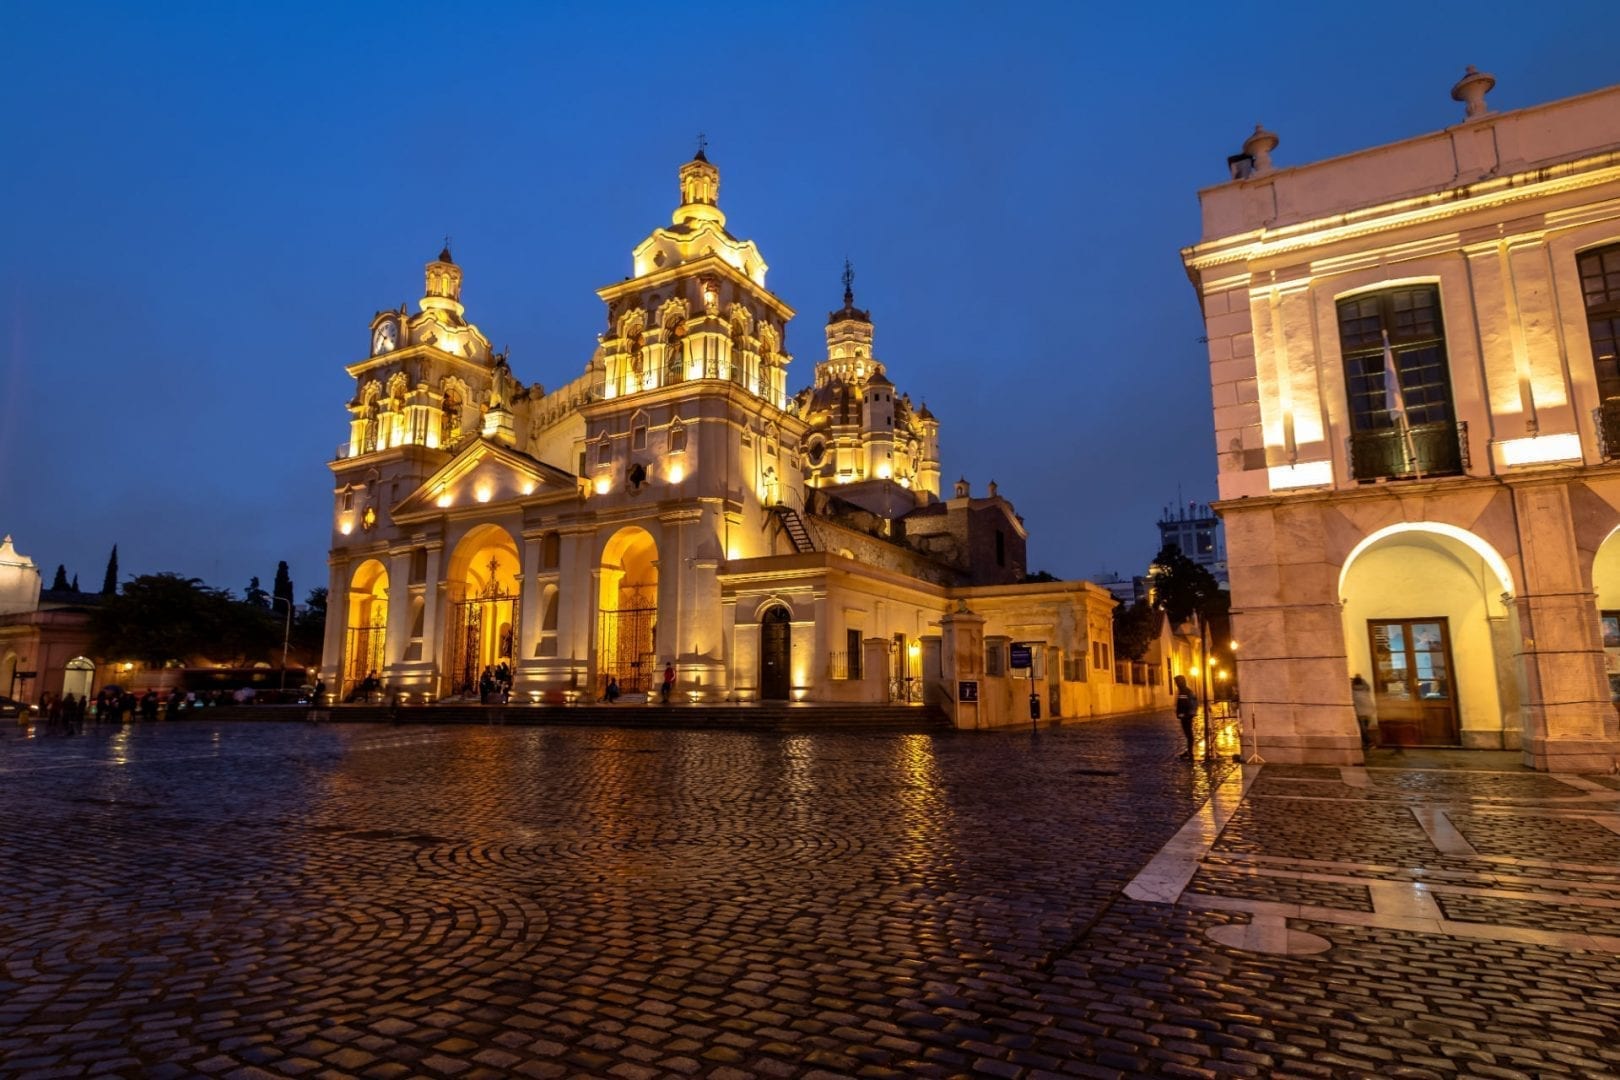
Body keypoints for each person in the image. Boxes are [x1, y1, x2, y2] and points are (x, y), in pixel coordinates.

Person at [1173, 674, 1199, 759]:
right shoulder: (1183, 691)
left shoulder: (1186, 691)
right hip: (1185, 716)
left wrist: (1187, 714)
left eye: (1177, 682)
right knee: (1188, 734)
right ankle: (1189, 751)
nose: (1176, 684)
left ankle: (1190, 752)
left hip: (1186, 716)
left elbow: (1189, 703)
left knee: (1189, 734)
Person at [1351, 674, 1377, 749]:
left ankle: (1370, 743)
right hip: (1369, 711)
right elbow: (1367, 685)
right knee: (1365, 729)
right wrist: (1361, 679)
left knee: (1363, 730)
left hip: (1360, 713)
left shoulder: (1352, 691)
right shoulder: (1365, 689)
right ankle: (1366, 744)